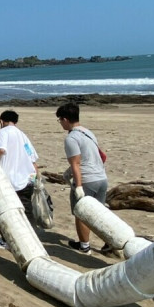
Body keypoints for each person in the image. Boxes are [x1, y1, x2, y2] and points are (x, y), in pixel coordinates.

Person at [56, 103, 108, 254]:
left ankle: (84, 246)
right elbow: (96, 156)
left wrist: (78, 186)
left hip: (87, 180)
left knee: (81, 214)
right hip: (101, 178)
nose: (60, 123)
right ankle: (108, 242)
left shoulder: (72, 138)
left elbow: (76, 163)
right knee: (98, 214)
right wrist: (69, 172)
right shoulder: (88, 133)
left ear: (65, 119)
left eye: (60, 120)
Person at [0, 110, 39, 248]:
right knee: (27, 210)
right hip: (28, 178)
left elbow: (1, 150)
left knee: (7, 211)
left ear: (1, 121)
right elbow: (32, 157)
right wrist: (35, 178)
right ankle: (31, 241)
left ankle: (6, 241)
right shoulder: (23, 135)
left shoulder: (4, 132)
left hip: (11, 179)